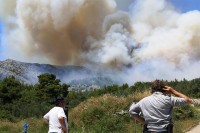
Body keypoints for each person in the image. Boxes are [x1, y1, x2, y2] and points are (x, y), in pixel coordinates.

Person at [129, 80, 193, 133]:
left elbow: (132, 111)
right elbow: (188, 100)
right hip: (165, 130)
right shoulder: (169, 99)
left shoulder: (143, 101)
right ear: (164, 89)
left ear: (152, 90)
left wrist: (143, 122)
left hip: (148, 130)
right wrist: (173, 91)